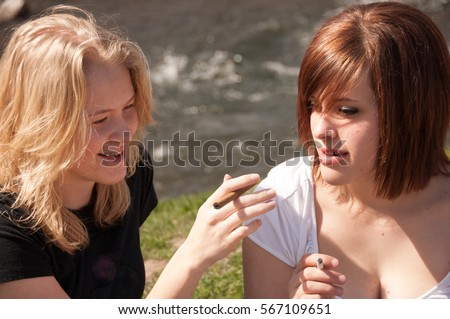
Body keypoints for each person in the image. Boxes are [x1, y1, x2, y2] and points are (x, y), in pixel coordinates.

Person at [0, 5, 276, 298]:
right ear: (41, 124)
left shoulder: (131, 171)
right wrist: (192, 257)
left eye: (128, 107)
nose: (124, 134)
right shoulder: (9, 230)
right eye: (100, 119)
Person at [243, 1, 450, 299]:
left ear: (412, 111)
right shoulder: (283, 203)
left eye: (347, 110)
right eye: (313, 105)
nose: (320, 131)